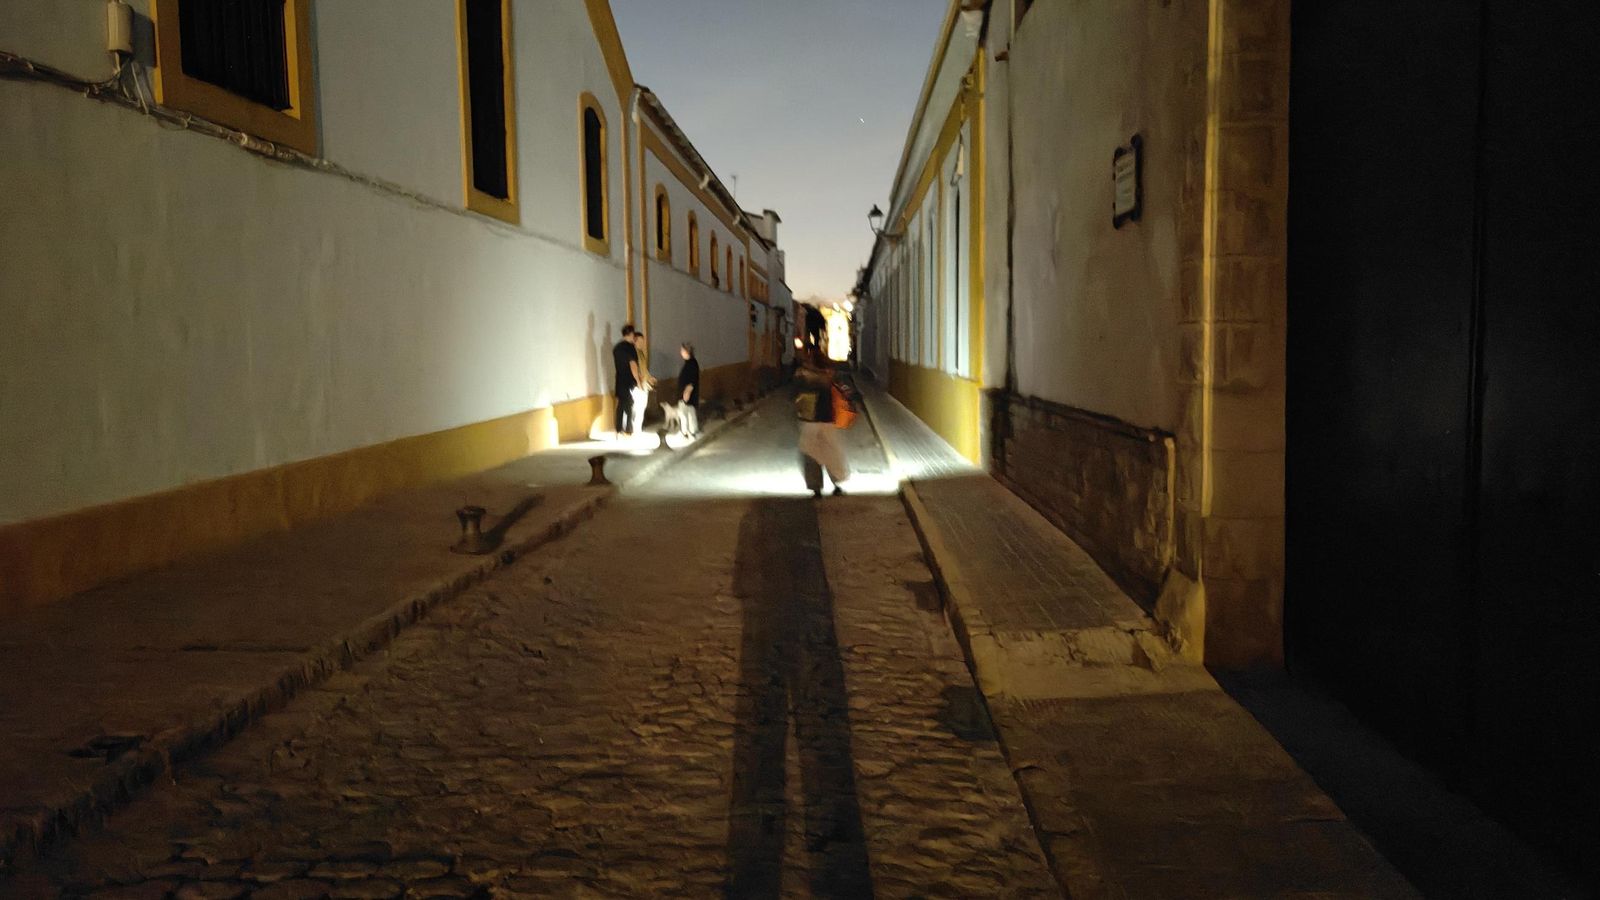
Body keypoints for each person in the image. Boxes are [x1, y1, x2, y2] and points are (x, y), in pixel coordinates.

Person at [794, 346, 849, 498]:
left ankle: (816, 488)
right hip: (827, 419)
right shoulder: (829, 376)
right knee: (831, 453)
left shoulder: (807, 375)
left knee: (811, 454)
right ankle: (837, 484)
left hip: (810, 420)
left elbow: (796, 393)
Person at [612, 325, 641, 437]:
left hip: (619, 379)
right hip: (629, 381)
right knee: (629, 405)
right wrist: (638, 381)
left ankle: (618, 429)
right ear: (631, 334)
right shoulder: (630, 348)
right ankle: (628, 430)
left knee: (620, 405)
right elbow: (633, 365)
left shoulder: (616, 348)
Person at [677, 342, 701, 438]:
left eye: (682, 350)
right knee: (690, 412)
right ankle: (693, 430)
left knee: (683, 413)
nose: (680, 352)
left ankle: (685, 431)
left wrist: (687, 393)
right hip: (688, 394)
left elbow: (691, 380)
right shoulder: (691, 362)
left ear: (687, 351)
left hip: (687, 394)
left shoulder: (691, 364)